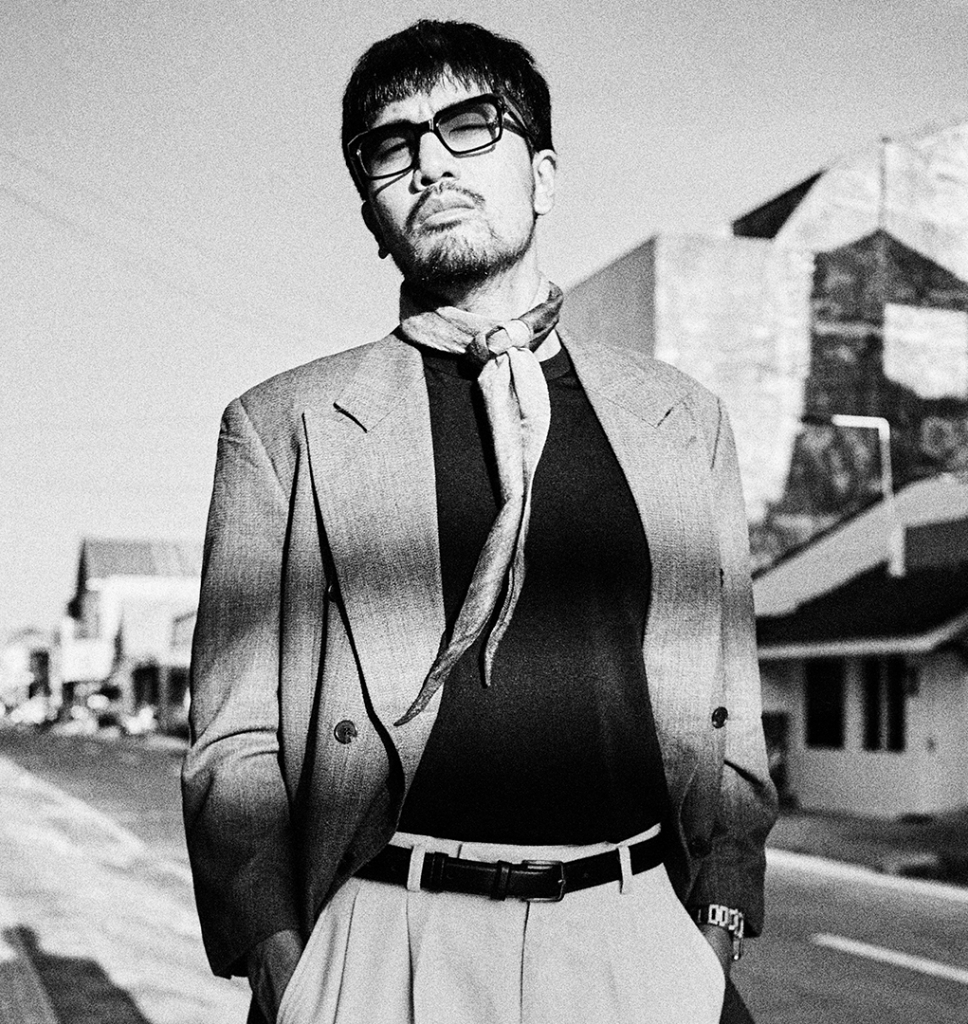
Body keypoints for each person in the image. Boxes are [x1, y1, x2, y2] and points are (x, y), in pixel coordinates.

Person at [182, 19, 777, 1024]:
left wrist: (717, 913)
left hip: (637, 932)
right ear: (372, 216)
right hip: (384, 938)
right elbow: (233, 736)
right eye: (391, 146)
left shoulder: (682, 421)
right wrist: (282, 961)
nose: (431, 163)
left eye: (469, 126)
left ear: (542, 177)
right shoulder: (284, 428)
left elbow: (727, 699)